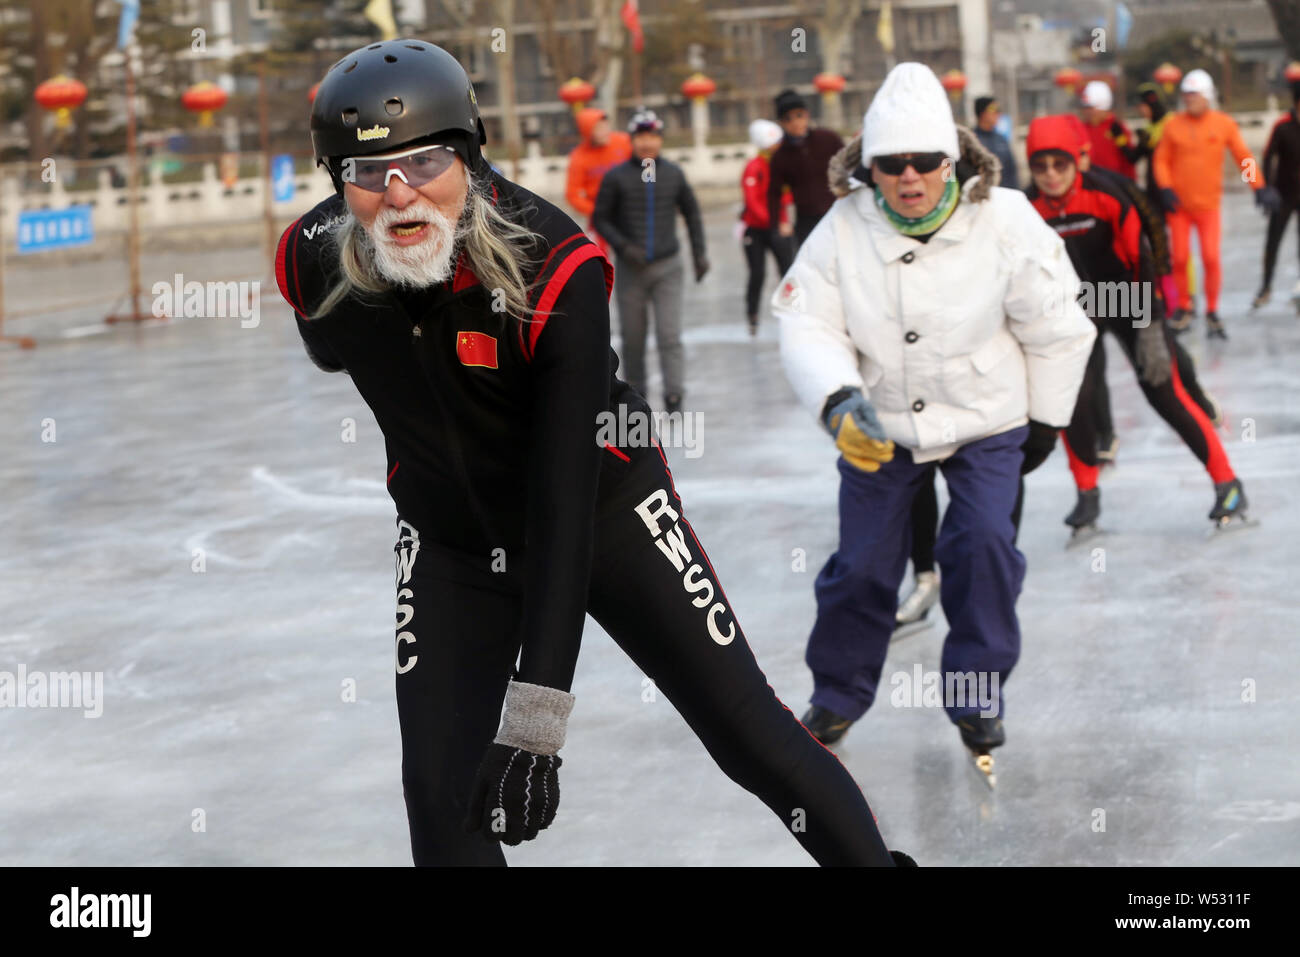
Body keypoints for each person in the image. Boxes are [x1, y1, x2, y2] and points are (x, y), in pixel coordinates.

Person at [276, 39, 913, 868]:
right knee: (439, 796)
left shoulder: (555, 265)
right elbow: (330, 346)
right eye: (368, 175)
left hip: (605, 513)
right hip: (448, 542)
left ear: (469, 155)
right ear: (338, 182)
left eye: (426, 161)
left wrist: (538, 722)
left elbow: (564, 505)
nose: (400, 195)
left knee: (748, 736)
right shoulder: (311, 257)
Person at [773, 63, 1096, 784]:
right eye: (891, 164)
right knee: (861, 566)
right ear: (869, 167)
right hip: (878, 421)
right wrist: (835, 398)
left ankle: (976, 695)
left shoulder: (1006, 218)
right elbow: (805, 318)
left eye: (925, 161)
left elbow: (1060, 327)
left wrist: (1045, 422)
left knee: (981, 545)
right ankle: (836, 694)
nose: (909, 177)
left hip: (989, 416)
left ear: (953, 161)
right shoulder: (843, 227)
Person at [1024, 115, 1249, 535]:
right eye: (1040, 167)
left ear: (1077, 162)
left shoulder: (1110, 195)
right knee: (1075, 400)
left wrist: (1151, 328)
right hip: (1074, 311)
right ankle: (1087, 494)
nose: (1051, 175)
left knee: (1164, 391)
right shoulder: (1025, 209)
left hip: (1129, 299)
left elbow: (1144, 260)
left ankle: (1227, 482)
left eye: (1060, 164)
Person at [593, 108, 708, 415]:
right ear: (632, 140)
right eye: (641, 137)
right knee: (633, 339)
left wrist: (700, 254)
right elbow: (600, 219)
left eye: (653, 136)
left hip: (668, 267)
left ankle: (674, 396)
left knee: (669, 335)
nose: (647, 143)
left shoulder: (673, 174)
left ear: (660, 140)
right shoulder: (616, 177)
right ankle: (637, 398)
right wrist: (624, 247)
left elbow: (692, 214)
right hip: (631, 270)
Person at [1153, 69, 1281, 336]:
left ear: (1208, 96)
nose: (1189, 100)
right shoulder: (1173, 125)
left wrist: (1258, 187)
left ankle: (1212, 310)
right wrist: (1164, 187)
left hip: (1208, 206)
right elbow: (1161, 160)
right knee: (1178, 258)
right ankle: (1185, 307)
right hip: (1179, 207)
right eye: (1186, 95)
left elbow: (1242, 157)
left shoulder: (1223, 124)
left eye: (1195, 95)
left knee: (1211, 258)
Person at [767, 89, 845, 250]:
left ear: (807, 115)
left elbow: (850, 167)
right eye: (788, 119)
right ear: (781, 123)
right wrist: (777, 225)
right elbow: (774, 193)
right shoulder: (780, 156)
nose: (795, 122)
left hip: (838, 213)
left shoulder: (828, 139)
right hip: (806, 221)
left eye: (799, 115)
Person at [739, 118, 794, 335]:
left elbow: (788, 194)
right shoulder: (753, 167)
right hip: (757, 228)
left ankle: (793, 311)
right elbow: (752, 202)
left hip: (779, 226)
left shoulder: (781, 164)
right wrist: (772, 221)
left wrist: (784, 219)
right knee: (757, 273)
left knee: (788, 270)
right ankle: (752, 314)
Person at [1253, 78, 1300, 309]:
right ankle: (1266, 286)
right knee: (1273, 242)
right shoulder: (1282, 127)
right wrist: (1266, 187)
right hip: (1283, 195)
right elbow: (1267, 156)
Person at [564, 107, 632, 257]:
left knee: (634, 253)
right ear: (587, 132)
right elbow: (572, 194)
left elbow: (647, 160)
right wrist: (595, 211)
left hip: (629, 208)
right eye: (598, 128)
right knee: (596, 256)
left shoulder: (624, 141)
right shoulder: (579, 157)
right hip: (600, 214)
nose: (604, 131)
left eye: (605, 126)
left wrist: (649, 183)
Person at [1079, 80, 1139, 179]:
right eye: (1085, 108)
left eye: (1091, 108)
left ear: (1104, 107)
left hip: (1114, 184)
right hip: (1091, 184)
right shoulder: (1081, 129)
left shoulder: (1117, 128)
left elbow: (1128, 161)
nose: (1087, 112)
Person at [972, 95, 1019, 189]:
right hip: (980, 196)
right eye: (994, 110)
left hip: (1004, 195)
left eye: (999, 110)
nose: (998, 114)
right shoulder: (970, 141)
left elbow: (1012, 171)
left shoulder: (1001, 139)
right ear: (982, 113)